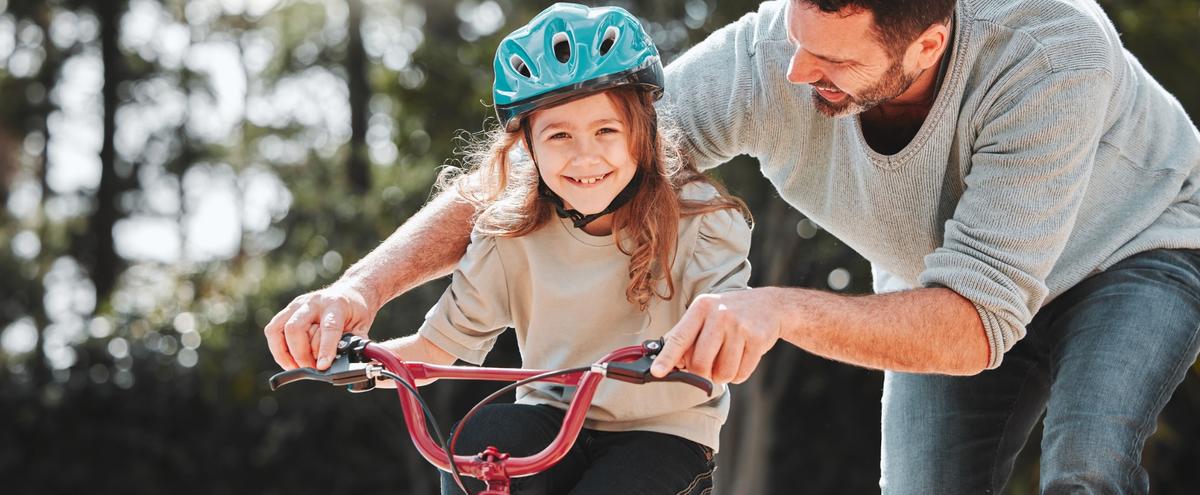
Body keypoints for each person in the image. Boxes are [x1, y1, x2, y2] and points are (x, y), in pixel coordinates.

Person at [266, 0, 1200, 493]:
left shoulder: (1050, 53)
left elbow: (980, 322)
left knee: (1085, 465)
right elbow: (555, 175)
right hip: (941, 280)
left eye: (831, 61)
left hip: (1135, 252)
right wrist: (360, 288)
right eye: (797, 39)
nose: (797, 74)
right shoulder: (772, 56)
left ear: (926, 47)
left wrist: (779, 307)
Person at [268, 4, 753, 494]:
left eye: (606, 130)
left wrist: (708, 345)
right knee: (483, 443)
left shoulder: (703, 220)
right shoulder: (509, 234)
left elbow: (729, 325)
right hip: (551, 422)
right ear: (528, 147)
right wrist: (360, 359)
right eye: (559, 135)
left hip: (662, 432)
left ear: (642, 134)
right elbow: (431, 350)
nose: (585, 156)